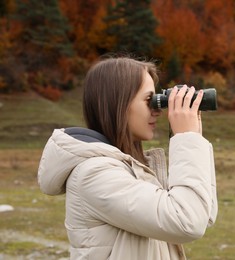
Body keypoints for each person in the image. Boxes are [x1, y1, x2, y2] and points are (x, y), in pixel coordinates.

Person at [37, 56, 218, 259]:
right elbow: (187, 221)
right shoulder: (94, 174)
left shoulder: (131, 169)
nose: (158, 110)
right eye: (149, 100)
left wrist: (194, 135)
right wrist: (187, 138)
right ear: (118, 103)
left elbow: (203, 213)